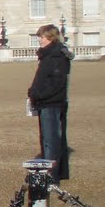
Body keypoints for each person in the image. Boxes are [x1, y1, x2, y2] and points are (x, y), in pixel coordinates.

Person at [27, 23, 72, 183]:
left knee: (51, 141)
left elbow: (56, 84)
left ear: (50, 37)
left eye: (41, 36)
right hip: (45, 102)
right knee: (47, 138)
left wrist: (37, 95)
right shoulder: (49, 54)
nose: (39, 39)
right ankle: (50, 172)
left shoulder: (56, 56)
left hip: (51, 103)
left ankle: (52, 176)